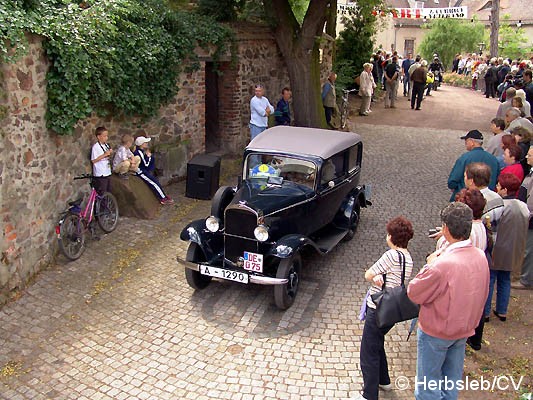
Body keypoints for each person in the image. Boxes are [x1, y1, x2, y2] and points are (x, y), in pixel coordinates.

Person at [408, 202, 489, 400]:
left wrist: (430, 263)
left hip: (437, 332)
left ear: (445, 228)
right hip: (464, 329)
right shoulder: (480, 256)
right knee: (450, 383)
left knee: (428, 387)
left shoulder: (441, 264)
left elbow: (414, 292)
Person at [356, 217, 414, 400]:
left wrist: (375, 276)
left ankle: (369, 395)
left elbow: (368, 274)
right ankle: (384, 380)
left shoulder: (390, 255)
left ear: (391, 236)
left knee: (368, 352)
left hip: (377, 309)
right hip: (392, 310)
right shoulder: (408, 258)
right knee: (377, 343)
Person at [484, 174, 529, 322]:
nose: (496, 187)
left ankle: (485, 312)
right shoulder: (523, 207)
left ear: (504, 189)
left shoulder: (499, 207)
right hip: (513, 249)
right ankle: (502, 310)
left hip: (497, 249)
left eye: (498, 185)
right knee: (505, 279)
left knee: (490, 279)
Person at [447, 130, 500, 201]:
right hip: (488, 199)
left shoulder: (465, 158)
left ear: (472, 142)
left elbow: (452, 181)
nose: (465, 144)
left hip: (467, 199)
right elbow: (497, 179)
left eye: (466, 141)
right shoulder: (493, 159)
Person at [513, 146, 533, 290]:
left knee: (528, 248)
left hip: (530, 219)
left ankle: (526, 280)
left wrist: (526, 215)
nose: (527, 157)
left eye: (530, 155)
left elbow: (531, 201)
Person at [464, 162, 504, 234]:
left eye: (465, 176)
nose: (464, 179)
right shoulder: (498, 198)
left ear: (471, 181)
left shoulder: (473, 202)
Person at [134, 136, 174, 205]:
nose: (147, 143)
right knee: (153, 183)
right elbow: (146, 164)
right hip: (141, 172)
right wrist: (149, 157)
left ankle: (163, 195)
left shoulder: (141, 151)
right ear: (141, 144)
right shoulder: (138, 152)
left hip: (144, 170)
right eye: (145, 142)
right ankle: (163, 199)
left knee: (156, 181)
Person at [91, 126, 113, 195]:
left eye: (107, 136)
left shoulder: (106, 145)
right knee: (102, 193)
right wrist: (105, 155)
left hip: (107, 171)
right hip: (100, 173)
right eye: (104, 136)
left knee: (108, 192)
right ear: (98, 137)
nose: (106, 138)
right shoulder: (96, 147)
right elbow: (93, 160)